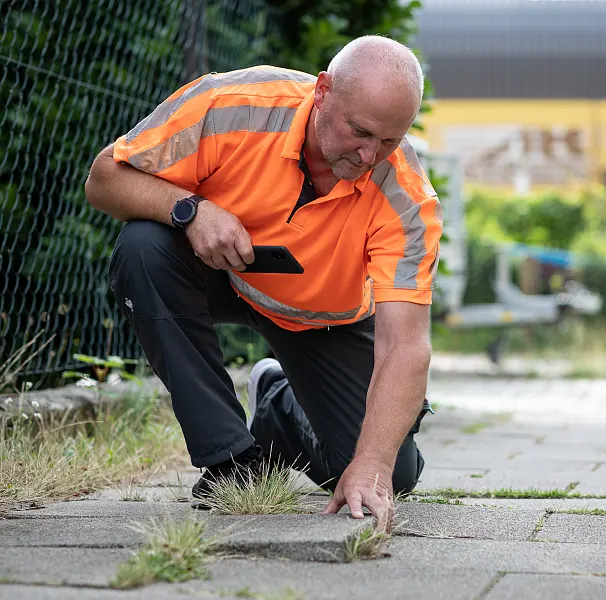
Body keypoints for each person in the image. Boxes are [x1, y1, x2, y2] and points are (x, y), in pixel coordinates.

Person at [84, 35, 443, 530]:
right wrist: (189, 210)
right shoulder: (230, 106)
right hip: (220, 274)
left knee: (390, 474)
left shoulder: (407, 199)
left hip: (325, 320)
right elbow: (104, 178)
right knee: (144, 245)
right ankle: (231, 461)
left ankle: (276, 400)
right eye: (359, 131)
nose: (368, 156)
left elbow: (405, 344)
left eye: (389, 141)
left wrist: (374, 465)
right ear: (322, 92)